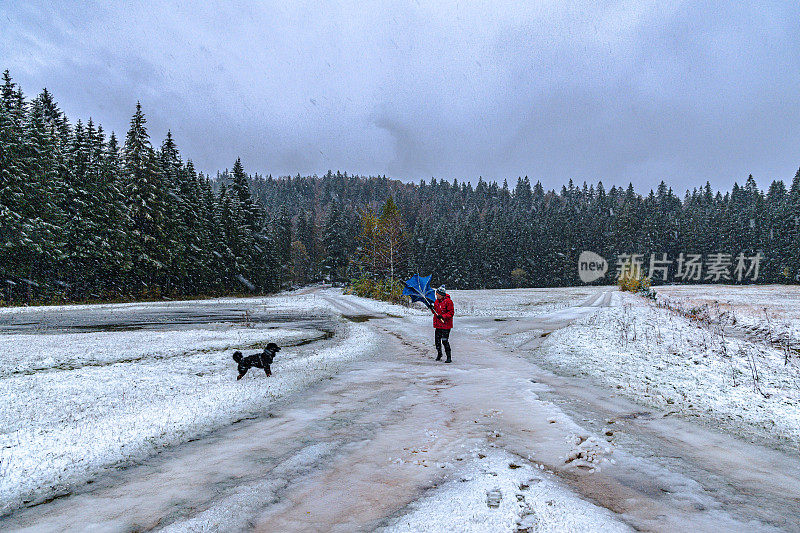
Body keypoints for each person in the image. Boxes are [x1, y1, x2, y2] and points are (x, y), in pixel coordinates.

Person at [432, 286, 454, 363]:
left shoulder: (448, 301)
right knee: (437, 341)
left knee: (444, 341)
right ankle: (439, 354)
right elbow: (435, 312)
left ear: (441, 294)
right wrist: (432, 308)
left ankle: (449, 357)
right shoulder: (436, 301)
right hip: (438, 325)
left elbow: (451, 313)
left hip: (446, 325)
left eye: (437, 294)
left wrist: (443, 316)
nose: (436, 295)